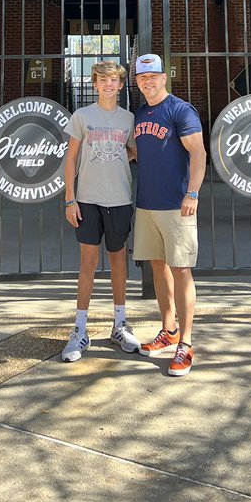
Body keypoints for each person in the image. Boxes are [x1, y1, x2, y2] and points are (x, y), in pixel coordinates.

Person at [132, 53, 206, 378]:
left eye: (153, 76)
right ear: (137, 82)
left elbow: (198, 152)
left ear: (164, 77)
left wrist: (193, 193)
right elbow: (139, 153)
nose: (148, 81)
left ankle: (186, 344)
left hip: (177, 204)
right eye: (142, 77)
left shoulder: (180, 110)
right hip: (147, 204)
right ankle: (169, 330)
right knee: (157, 267)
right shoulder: (139, 114)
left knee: (181, 270)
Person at [61, 62, 140, 362]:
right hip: (87, 200)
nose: (108, 84)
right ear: (94, 84)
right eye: (103, 80)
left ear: (121, 85)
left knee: (119, 261)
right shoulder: (82, 116)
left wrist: (119, 157)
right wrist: (70, 199)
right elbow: (71, 158)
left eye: (114, 80)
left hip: (119, 199)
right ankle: (80, 329)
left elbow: (134, 151)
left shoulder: (129, 118)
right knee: (88, 264)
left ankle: (119, 324)